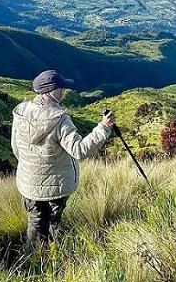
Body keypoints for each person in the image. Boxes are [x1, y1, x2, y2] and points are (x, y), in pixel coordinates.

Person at [11, 69, 116, 247]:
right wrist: (103, 128)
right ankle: (56, 258)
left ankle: (33, 260)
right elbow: (79, 150)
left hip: (28, 183)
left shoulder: (21, 113)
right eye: (62, 88)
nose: (65, 92)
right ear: (54, 91)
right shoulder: (59, 120)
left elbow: (16, 148)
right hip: (55, 186)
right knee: (54, 222)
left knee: (35, 221)